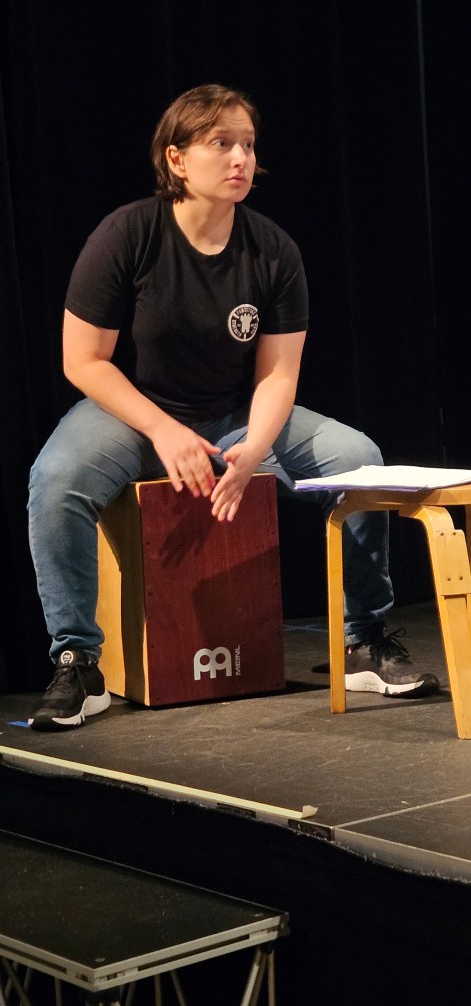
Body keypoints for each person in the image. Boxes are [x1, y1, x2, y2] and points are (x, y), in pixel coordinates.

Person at [27, 83, 439, 731]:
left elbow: (278, 372)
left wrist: (255, 447)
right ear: (176, 158)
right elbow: (83, 361)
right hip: (135, 416)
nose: (240, 157)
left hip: (233, 416)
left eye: (247, 143)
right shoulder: (128, 234)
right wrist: (163, 429)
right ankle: (79, 662)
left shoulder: (271, 250)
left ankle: (363, 640)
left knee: (357, 457)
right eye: (220, 143)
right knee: (56, 480)